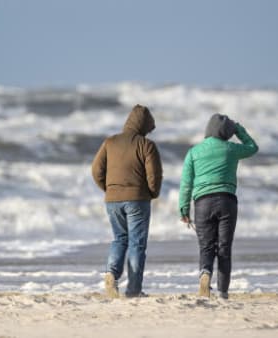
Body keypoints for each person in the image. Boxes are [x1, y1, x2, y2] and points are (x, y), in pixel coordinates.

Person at [178, 113, 258, 299]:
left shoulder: (194, 152)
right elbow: (253, 147)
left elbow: (186, 183)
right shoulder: (231, 149)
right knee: (224, 247)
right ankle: (222, 292)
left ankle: (205, 273)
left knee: (206, 246)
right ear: (226, 132)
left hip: (202, 203)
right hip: (227, 201)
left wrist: (183, 208)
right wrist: (238, 129)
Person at [91, 104, 163, 298]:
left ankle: (111, 274)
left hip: (112, 200)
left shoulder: (110, 142)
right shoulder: (146, 145)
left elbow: (96, 170)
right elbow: (154, 176)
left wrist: (109, 189)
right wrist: (152, 193)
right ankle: (133, 290)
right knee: (137, 244)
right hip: (137, 200)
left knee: (119, 239)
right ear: (144, 126)